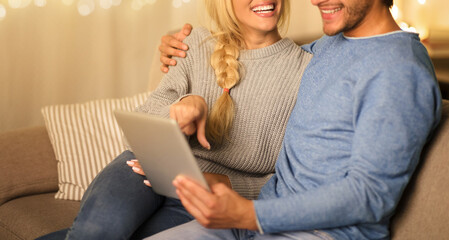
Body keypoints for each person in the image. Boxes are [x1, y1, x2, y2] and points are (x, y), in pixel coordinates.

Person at [146, 0, 443, 239]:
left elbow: (369, 196)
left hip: (318, 232)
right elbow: (266, 64)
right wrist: (178, 48)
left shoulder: (400, 71)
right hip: (257, 219)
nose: (316, 1)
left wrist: (249, 214)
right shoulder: (332, 45)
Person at [36, 0, 313, 239]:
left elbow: (290, 180)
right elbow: (138, 129)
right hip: (143, 170)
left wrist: (218, 183)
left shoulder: (307, 70)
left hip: (203, 198)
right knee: (96, 233)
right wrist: (181, 107)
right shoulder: (193, 43)